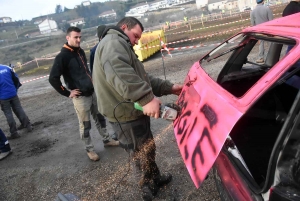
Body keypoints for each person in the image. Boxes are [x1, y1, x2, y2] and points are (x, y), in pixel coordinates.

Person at [92, 17, 183, 201]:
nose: (136, 41)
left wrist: (169, 87)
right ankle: (146, 190)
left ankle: (155, 178)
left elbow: (141, 77)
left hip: (132, 109)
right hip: (124, 114)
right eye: (135, 36)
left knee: (147, 146)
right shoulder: (113, 42)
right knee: (139, 153)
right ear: (124, 27)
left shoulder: (121, 43)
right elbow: (120, 72)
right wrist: (145, 98)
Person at [49, 26, 119, 162]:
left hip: (92, 93)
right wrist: (67, 92)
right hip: (80, 98)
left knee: (100, 119)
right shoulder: (62, 57)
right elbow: (53, 78)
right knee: (85, 125)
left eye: (80, 37)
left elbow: (86, 70)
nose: (79, 40)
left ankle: (107, 140)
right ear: (67, 37)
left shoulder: (80, 51)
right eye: (76, 37)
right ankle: (90, 149)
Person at [0, 64, 32, 139]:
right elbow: (16, 79)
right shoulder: (7, 68)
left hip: (3, 97)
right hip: (13, 93)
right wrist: (15, 89)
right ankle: (28, 125)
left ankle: (14, 132)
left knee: (8, 114)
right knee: (19, 109)